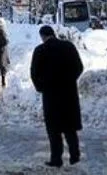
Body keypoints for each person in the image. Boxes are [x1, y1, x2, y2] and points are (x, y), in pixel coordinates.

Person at [31, 26, 83, 168]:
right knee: (69, 127)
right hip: (68, 93)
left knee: (53, 129)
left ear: (42, 36)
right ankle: (74, 156)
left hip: (51, 95)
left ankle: (56, 159)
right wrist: (70, 80)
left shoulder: (40, 50)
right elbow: (79, 67)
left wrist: (42, 87)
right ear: (53, 34)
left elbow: (34, 73)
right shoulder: (68, 47)